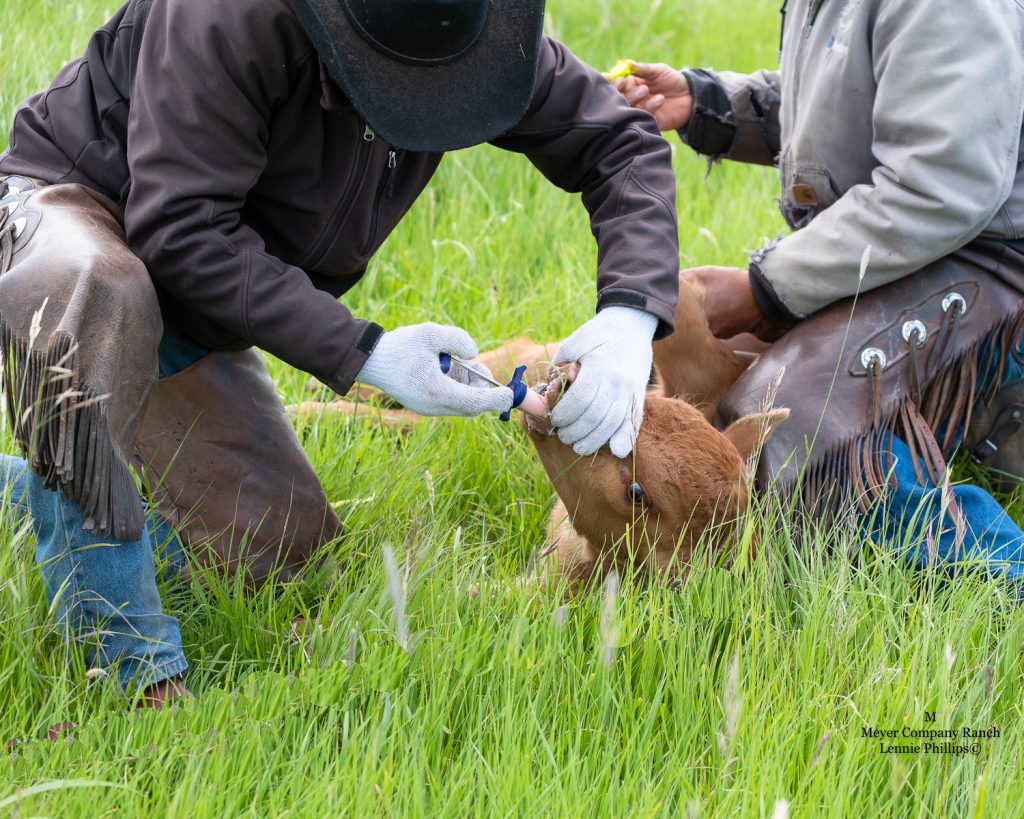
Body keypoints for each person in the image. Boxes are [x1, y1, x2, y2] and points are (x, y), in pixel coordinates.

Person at [0, 0, 681, 707]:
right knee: (92, 292)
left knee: (279, 560)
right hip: (69, 222)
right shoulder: (228, 16)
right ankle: (129, 668)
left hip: (197, 305)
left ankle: (34, 496)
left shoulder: (465, 25)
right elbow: (178, 226)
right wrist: (366, 352)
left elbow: (620, 141)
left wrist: (631, 314)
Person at [611, 0, 1024, 583]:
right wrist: (704, 102)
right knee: (696, 351)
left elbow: (943, 184)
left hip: (997, 264)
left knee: (790, 428)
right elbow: (853, 93)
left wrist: (766, 289)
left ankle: (1004, 578)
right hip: (918, 247)